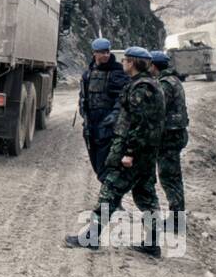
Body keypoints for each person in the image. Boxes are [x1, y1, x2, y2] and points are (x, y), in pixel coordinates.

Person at [67, 46, 165, 257]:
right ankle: (153, 243)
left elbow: (139, 125)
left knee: (109, 193)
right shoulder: (146, 84)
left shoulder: (142, 88)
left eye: (126, 60)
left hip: (135, 154)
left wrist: (128, 152)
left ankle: (91, 237)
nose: (123, 63)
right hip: (145, 154)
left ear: (133, 63)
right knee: (146, 197)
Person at [78, 38, 129, 180]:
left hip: (107, 129)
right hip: (91, 129)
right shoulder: (88, 74)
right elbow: (83, 97)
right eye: (102, 52)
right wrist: (84, 113)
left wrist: (113, 116)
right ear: (95, 53)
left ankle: (106, 203)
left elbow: (122, 98)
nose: (106, 55)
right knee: (98, 168)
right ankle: (110, 202)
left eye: (107, 52)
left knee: (105, 171)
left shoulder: (116, 72)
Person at [149, 50, 188, 230]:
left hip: (169, 137)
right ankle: (177, 218)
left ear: (154, 66)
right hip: (175, 135)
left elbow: (157, 108)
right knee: (174, 178)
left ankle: (176, 221)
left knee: (169, 178)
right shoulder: (174, 80)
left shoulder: (164, 84)